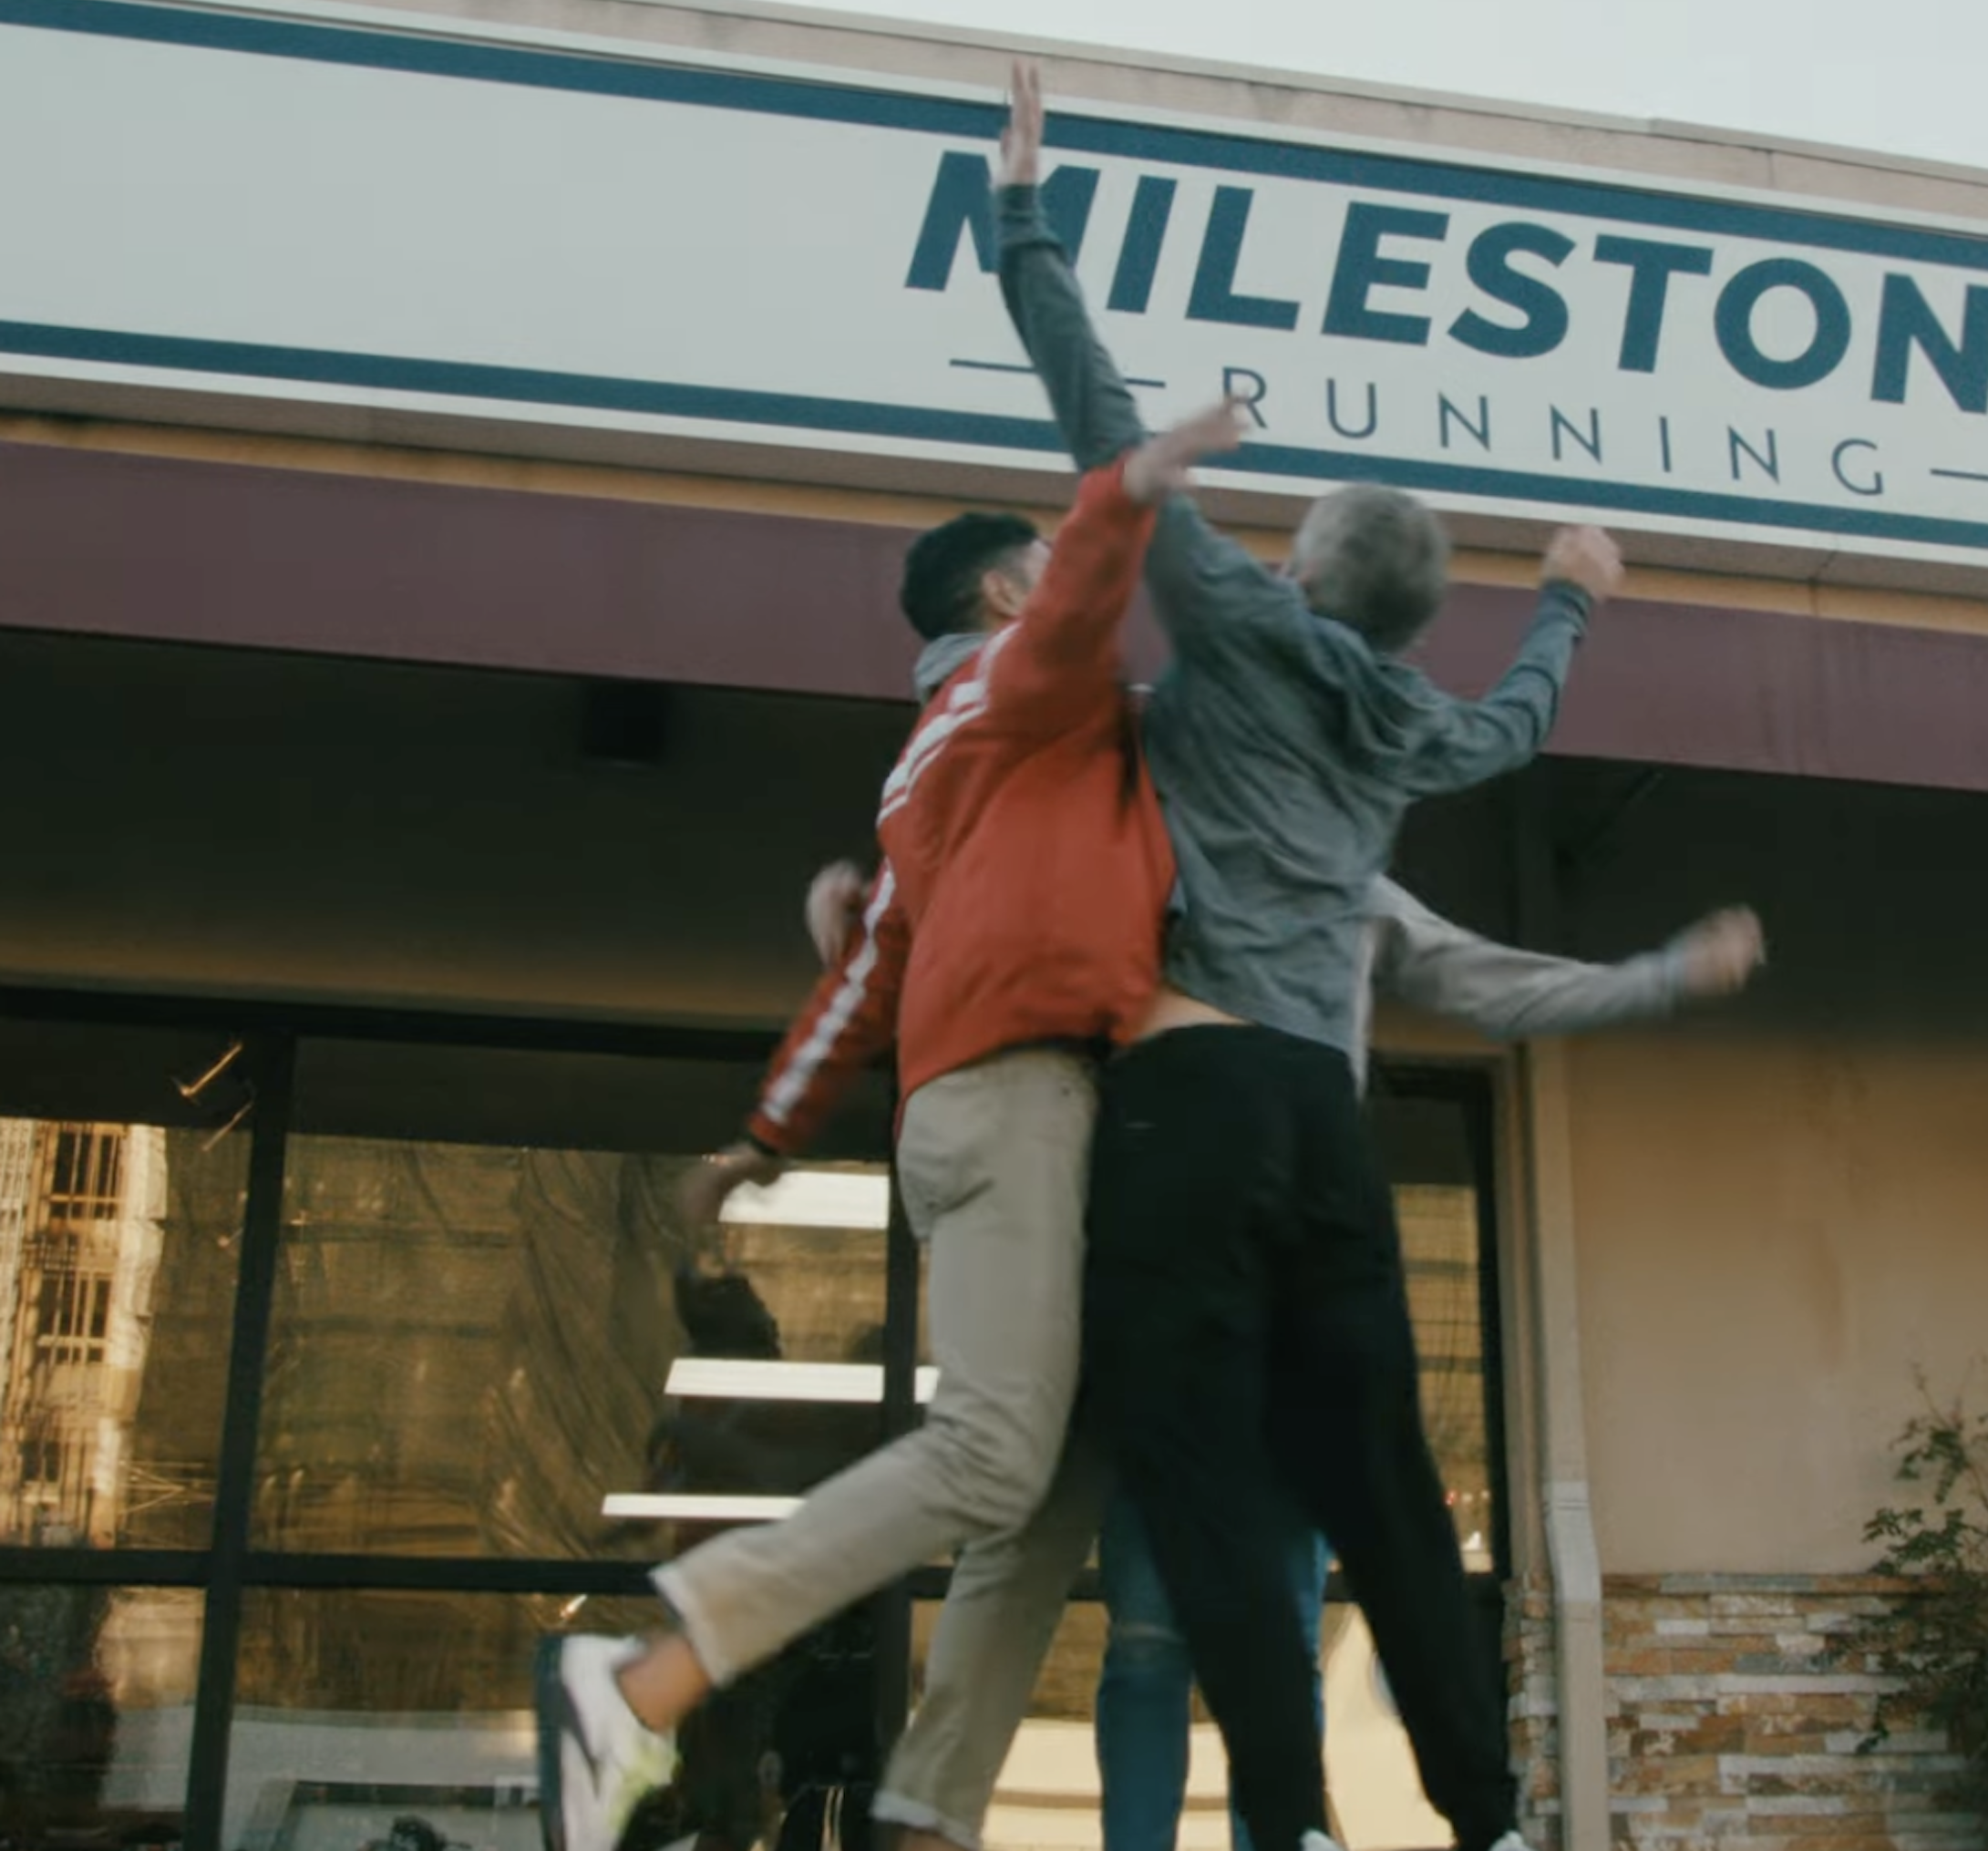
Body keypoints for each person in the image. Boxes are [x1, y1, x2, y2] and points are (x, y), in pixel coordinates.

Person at [994, 61, 1622, 1851]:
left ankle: (1280, 1817)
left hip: (1191, 1092)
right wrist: (1572, 592)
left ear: (1302, 557)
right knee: (1390, 1493)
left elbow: (1094, 411)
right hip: (1330, 1129)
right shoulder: (1413, 718)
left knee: (1193, 1472)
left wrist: (1024, 206)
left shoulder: (1243, 613)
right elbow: (1508, 728)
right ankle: (1489, 1814)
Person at [532, 403, 1249, 1851]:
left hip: (1010, 1102)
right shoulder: (1019, 681)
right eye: (1042, 566)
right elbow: (1073, 621)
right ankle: (652, 1663)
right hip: (1022, 1092)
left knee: (1045, 1490)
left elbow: (874, 965)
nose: (1066, 588)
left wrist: (769, 1128)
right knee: (993, 1456)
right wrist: (1132, 483)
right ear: (1003, 596)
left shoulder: (940, 752)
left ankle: (926, 1806)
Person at [802, 868, 1766, 1851]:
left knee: (1284, 1626)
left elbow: (1493, 982)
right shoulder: (1154, 865)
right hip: (1160, 1265)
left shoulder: (1346, 886)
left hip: (1298, 1279)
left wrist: (1662, 975)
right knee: (1146, 1633)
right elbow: (1002, 934)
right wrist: (871, 934)